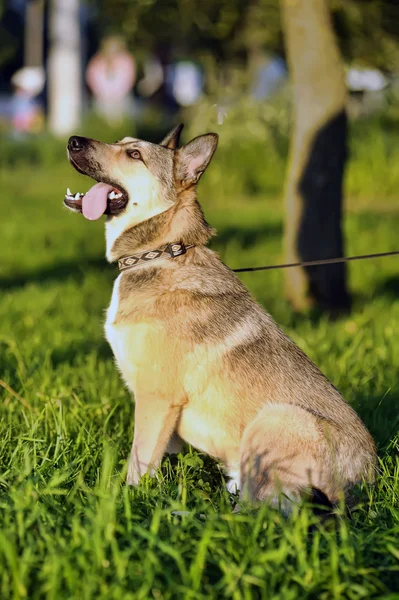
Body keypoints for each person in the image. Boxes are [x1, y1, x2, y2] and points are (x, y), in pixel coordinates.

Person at [86, 36, 136, 124]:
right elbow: (91, 77)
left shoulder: (125, 60)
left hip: (121, 97)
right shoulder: (97, 61)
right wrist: (100, 93)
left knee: (121, 121)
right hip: (102, 98)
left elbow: (129, 78)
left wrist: (119, 93)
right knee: (103, 122)